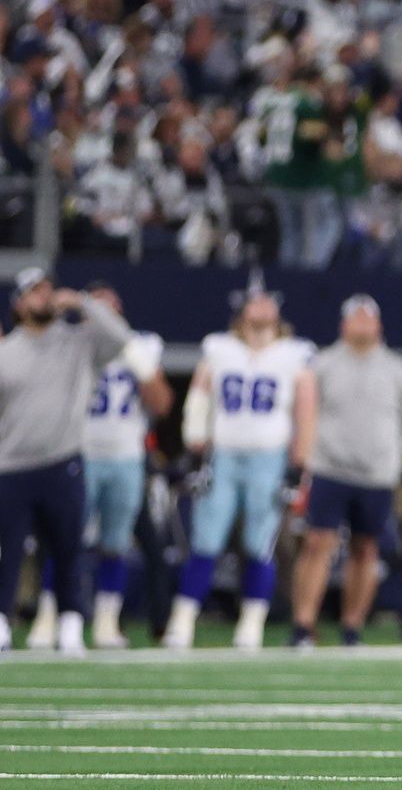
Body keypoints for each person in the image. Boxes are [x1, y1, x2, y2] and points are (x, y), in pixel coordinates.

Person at [164, 284, 316, 650]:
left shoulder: (295, 354)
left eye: (269, 302)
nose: (263, 308)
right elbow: (199, 399)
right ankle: (182, 621)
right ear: (241, 311)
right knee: (206, 539)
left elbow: (307, 413)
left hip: (270, 457)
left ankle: (252, 624)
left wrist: (300, 463)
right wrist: (194, 443)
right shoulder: (219, 349)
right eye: (256, 302)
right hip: (224, 455)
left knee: (259, 543)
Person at [0, 268, 132, 653]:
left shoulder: (77, 342)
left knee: (68, 548)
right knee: (8, 550)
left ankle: (71, 623)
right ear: (19, 304)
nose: (43, 297)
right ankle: (3, 624)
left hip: (63, 461)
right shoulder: (8, 352)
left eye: (46, 289)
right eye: (33, 292)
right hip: (12, 466)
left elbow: (121, 337)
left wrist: (84, 301)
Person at [289, 296, 402, 648]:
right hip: (330, 468)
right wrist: (304, 459)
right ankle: (303, 625)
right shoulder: (322, 365)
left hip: (376, 473)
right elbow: (306, 415)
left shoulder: (398, 371)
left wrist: (399, 466)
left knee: (366, 548)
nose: (362, 324)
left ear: (378, 324)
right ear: (343, 324)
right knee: (317, 544)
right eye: (355, 318)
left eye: (367, 318)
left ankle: (352, 627)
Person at [70, 284, 172, 648]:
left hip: (126, 456)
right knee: (67, 540)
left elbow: (161, 404)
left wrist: (139, 366)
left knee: (116, 543)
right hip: (77, 453)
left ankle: (106, 623)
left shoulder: (139, 348)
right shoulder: (70, 346)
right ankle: (51, 621)